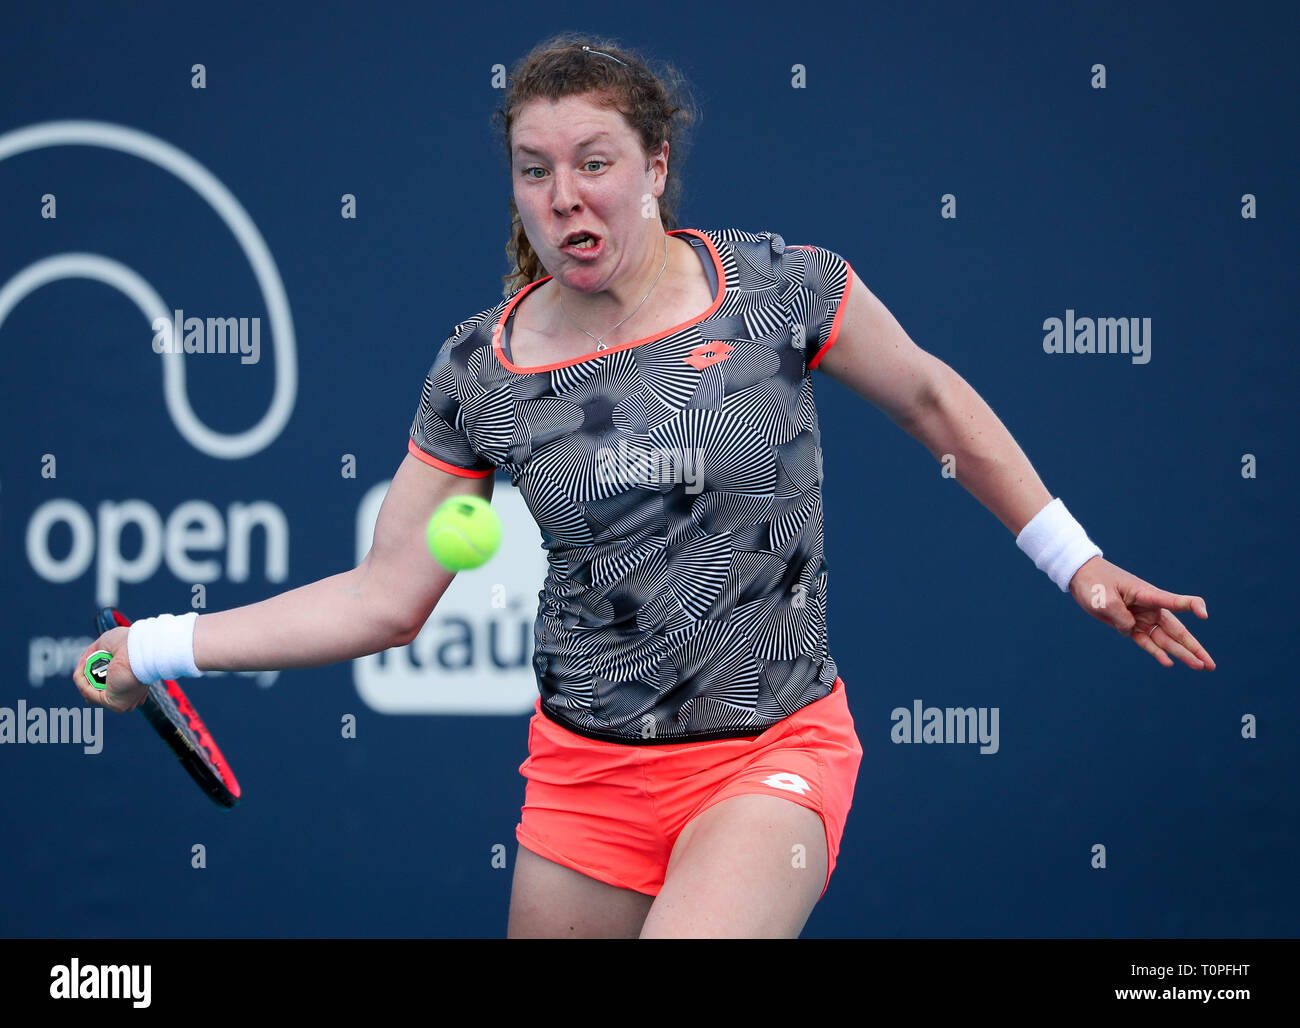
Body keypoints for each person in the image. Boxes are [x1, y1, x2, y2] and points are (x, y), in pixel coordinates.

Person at [73, 34, 1215, 939]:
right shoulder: (482, 367)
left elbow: (929, 399)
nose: (564, 196)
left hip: (770, 750)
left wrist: (1072, 556)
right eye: (535, 171)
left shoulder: (779, 287)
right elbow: (384, 597)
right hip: (583, 777)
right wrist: (160, 645)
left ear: (656, 164)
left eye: (594, 163)